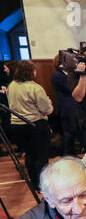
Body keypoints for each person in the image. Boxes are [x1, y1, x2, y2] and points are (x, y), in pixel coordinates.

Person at [6, 61, 53, 190]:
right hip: (34, 124)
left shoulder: (12, 86)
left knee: (29, 154)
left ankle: (34, 183)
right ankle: (42, 185)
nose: (36, 72)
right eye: (34, 69)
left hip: (17, 125)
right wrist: (49, 103)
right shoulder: (35, 87)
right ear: (30, 71)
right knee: (41, 156)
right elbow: (46, 109)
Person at [51, 54, 81, 156]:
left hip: (70, 107)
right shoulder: (58, 75)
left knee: (71, 133)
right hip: (66, 108)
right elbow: (70, 90)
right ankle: (68, 155)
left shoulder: (65, 74)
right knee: (68, 133)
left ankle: (71, 154)